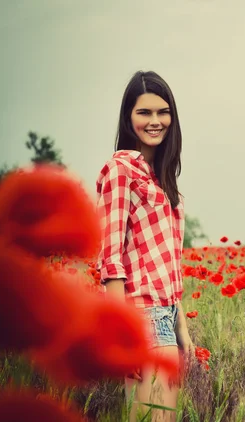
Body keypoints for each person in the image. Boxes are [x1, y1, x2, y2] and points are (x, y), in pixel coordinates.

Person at [95, 70, 193, 422]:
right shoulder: (120, 171)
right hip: (141, 316)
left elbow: (169, 262)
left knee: (160, 416)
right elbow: (111, 259)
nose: (155, 121)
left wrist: (181, 325)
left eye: (162, 111)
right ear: (128, 118)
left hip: (166, 313)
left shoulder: (164, 179)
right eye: (144, 112)